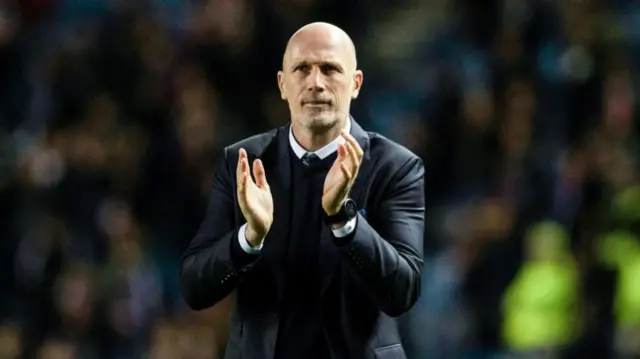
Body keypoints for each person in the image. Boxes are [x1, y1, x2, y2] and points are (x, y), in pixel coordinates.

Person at [179, 22, 425, 359]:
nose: (315, 83)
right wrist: (249, 237)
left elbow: (403, 291)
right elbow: (194, 287)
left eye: (329, 69)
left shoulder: (395, 168)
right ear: (283, 84)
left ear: (355, 84)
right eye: (302, 69)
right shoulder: (244, 163)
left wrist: (344, 219)